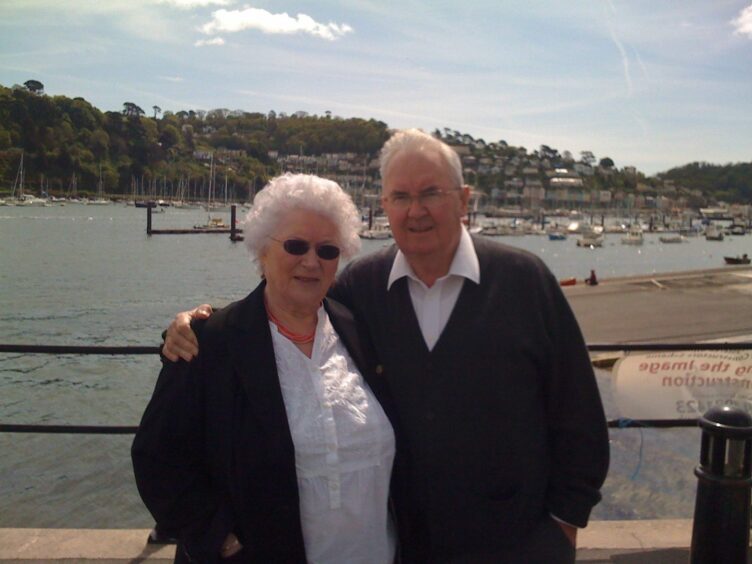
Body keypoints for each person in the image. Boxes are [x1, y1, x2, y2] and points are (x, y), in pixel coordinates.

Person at [164, 129, 610, 563]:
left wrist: (564, 524)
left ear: (464, 199)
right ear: (384, 207)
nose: (416, 210)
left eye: (431, 193)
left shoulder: (524, 281)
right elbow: (284, 305)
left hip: (517, 545)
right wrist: (197, 323)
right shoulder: (360, 288)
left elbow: (579, 415)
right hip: (410, 545)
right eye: (400, 197)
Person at [132, 174, 398, 563]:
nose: (312, 261)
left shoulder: (361, 333)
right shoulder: (210, 342)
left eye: (327, 250)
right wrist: (218, 535)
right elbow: (157, 458)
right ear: (262, 250)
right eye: (295, 245)